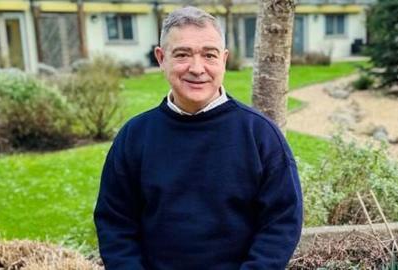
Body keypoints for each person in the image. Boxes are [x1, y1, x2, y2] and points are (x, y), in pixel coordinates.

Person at [94, 6, 303, 270]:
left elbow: (282, 221)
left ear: (224, 60)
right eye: (182, 54)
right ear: (161, 58)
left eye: (209, 55)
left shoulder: (260, 135)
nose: (197, 68)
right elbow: (115, 223)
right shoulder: (134, 137)